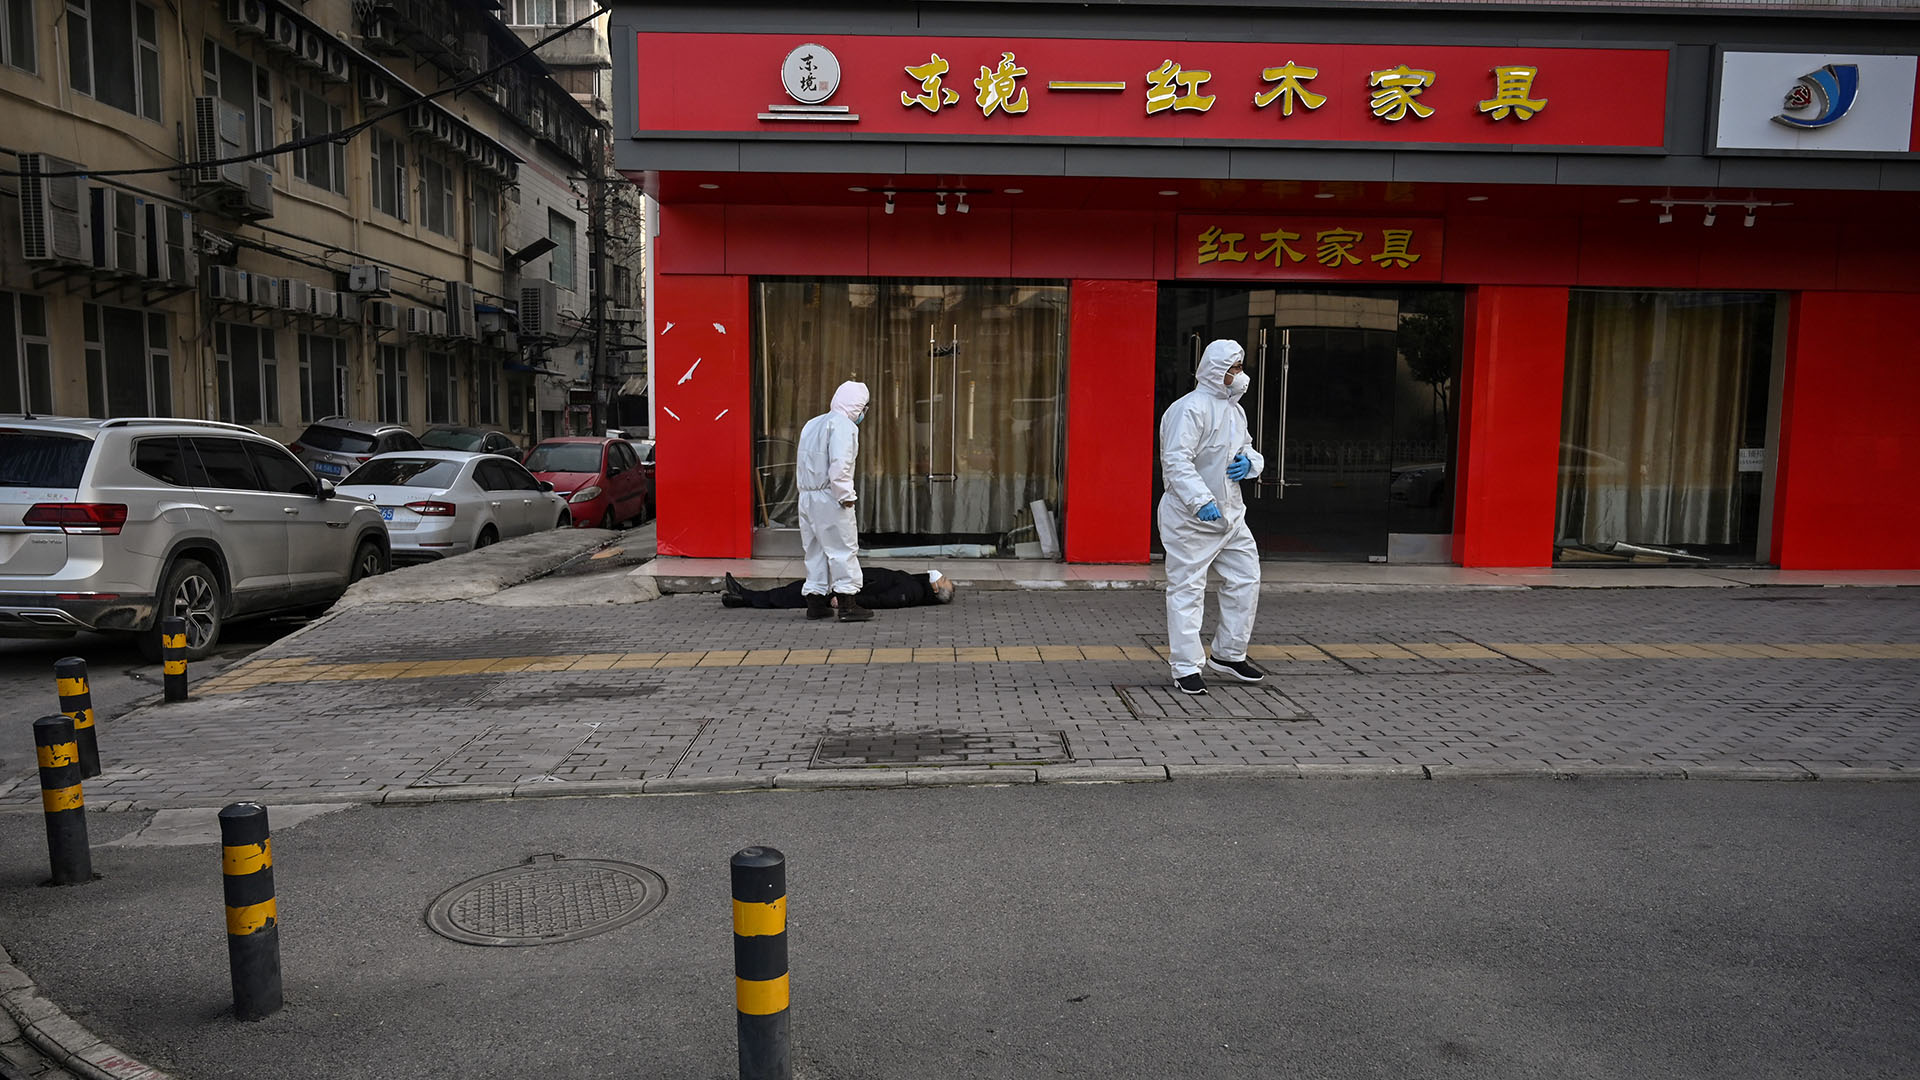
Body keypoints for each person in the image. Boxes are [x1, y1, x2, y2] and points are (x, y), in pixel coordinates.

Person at [1157, 339, 1266, 695]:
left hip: (1231, 516)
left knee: (1246, 581)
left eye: (1239, 368)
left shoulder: (1235, 410)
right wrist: (1200, 500)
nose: (1240, 375)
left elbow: (1246, 447)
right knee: (1188, 589)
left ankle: (1229, 654)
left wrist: (1251, 463)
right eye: (1233, 369)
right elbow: (1176, 460)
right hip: (1191, 519)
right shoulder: (1188, 409)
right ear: (1216, 371)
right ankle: (1186, 666)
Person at [796, 380, 873, 622]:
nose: (863, 413)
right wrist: (846, 497)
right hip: (830, 496)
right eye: (863, 407)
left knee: (815, 550)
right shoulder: (844, 426)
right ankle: (848, 603)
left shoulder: (812, 423)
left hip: (807, 495)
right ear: (856, 405)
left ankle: (815, 602)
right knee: (842, 549)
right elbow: (841, 465)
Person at [720, 569, 956, 610]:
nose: (941, 575)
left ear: (936, 589)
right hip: (845, 581)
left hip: (843, 589)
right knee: (796, 589)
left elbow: (885, 600)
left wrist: (846, 600)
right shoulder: (916, 583)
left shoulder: (912, 592)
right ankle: (743, 596)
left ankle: (744, 597)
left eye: (943, 579)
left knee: (793, 595)